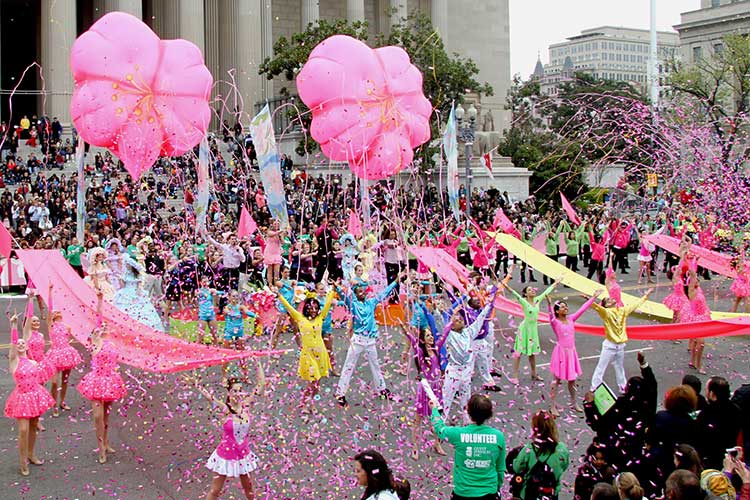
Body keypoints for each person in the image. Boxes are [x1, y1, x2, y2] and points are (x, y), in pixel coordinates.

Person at [189, 361, 265, 500]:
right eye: (235, 390)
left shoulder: (246, 405)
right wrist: (196, 383)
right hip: (225, 455)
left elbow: (260, 386)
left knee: (249, 490)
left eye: (240, 390)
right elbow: (208, 396)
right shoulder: (224, 409)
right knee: (215, 491)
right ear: (229, 392)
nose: (238, 393)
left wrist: (257, 363)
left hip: (243, 455)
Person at [334, 277, 401, 408]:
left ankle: (382, 389)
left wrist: (396, 281)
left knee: (375, 366)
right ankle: (340, 393)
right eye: (359, 292)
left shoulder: (371, 303)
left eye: (363, 291)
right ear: (355, 294)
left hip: (370, 341)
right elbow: (344, 296)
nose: (363, 293)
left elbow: (384, 293)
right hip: (358, 340)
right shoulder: (353, 305)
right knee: (349, 366)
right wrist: (336, 287)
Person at [77, 292, 127, 464]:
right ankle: (100, 448)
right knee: (97, 416)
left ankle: (106, 442)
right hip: (97, 381)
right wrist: (99, 302)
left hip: (110, 380)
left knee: (106, 415)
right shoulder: (96, 342)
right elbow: (98, 319)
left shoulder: (112, 344)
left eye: (107, 326)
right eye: (102, 326)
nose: (105, 327)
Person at [4, 312, 55, 476]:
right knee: (23, 430)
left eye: (22, 343)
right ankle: (22, 460)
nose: (19, 344)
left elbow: (40, 378)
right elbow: (13, 345)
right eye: (17, 343)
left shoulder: (33, 362)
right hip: (21, 398)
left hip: (35, 396)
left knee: (34, 426)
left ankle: (31, 454)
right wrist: (13, 325)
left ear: (26, 346)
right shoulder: (15, 362)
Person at [439, 288, 499, 422]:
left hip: (466, 372)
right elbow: (443, 319)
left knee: (465, 401)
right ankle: (441, 424)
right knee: (447, 400)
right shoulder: (449, 335)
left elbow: (481, 318)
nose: (459, 320)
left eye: (461, 319)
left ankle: (467, 424)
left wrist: (490, 303)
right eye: (456, 320)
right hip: (453, 371)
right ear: (451, 326)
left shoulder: (469, 332)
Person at [431, 394, 506, 500]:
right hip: (489, 492)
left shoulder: (458, 434)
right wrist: (496, 488)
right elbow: (500, 468)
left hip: (463, 493)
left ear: (468, 411)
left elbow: (439, 428)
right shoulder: (498, 437)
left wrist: (434, 410)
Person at [546, 290, 601, 416]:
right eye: (562, 307)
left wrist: (592, 297)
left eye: (566, 306)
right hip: (561, 353)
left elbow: (582, 309)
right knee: (557, 380)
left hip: (571, 353)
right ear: (557, 311)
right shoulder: (555, 322)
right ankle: (552, 405)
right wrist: (549, 304)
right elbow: (550, 316)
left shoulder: (571, 319)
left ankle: (573, 402)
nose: (565, 308)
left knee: (572, 380)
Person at [277, 287, 335, 403]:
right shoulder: (300, 318)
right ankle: (304, 403)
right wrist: (279, 296)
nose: (313, 310)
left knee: (317, 383)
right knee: (312, 381)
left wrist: (333, 289)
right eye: (310, 308)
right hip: (308, 355)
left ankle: (311, 403)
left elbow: (328, 303)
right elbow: (288, 307)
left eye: (316, 308)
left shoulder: (320, 317)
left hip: (320, 354)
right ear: (306, 309)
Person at [589, 288, 654, 392]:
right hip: (609, 346)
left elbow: (635, 305)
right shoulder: (606, 312)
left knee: (619, 367)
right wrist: (591, 299)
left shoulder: (623, 310)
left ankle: (623, 387)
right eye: (608, 300)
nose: (611, 299)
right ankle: (594, 388)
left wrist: (646, 295)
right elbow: (597, 307)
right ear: (606, 305)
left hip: (620, 345)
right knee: (601, 367)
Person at [507, 279, 560, 384]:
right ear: (526, 294)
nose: (532, 291)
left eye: (532, 289)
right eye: (529, 290)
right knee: (518, 353)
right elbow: (514, 293)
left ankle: (534, 374)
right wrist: (506, 286)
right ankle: (515, 376)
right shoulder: (524, 301)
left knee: (532, 354)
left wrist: (556, 283)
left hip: (533, 330)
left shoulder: (537, 300)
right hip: (524, 329)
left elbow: (546, 292)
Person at [512, 409, 570, 500]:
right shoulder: (562, 449)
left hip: (530, 494)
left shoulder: (528, 450)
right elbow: (564, 466)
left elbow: (517, 468)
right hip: (551, 493)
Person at [45, 284, 83, 417]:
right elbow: (49, 310)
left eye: (58, 312)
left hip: (67, 353)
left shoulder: (67, 327)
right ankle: (54, 404)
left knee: (65, 380)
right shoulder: (51, 325)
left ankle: (62, 401)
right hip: (55, 354)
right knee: (55, 382)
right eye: (55, 312)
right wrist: (50, 292)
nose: (56, 313)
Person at [696, 377, 742, 470]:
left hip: (710, 461)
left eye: (707, 390)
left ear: (712, 394)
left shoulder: (706, 413)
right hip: (729, 457)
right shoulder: (736, 410)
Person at [112, 254, 164, 331]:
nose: (126, 265)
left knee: (139, 310)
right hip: (126, 292)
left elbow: (140, 284)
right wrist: (120, 280)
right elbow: (122, 286)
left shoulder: (137, 274)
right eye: (126, 263)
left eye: (128, 264)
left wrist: (139, 292)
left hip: (135, 291)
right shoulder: (125, 273)